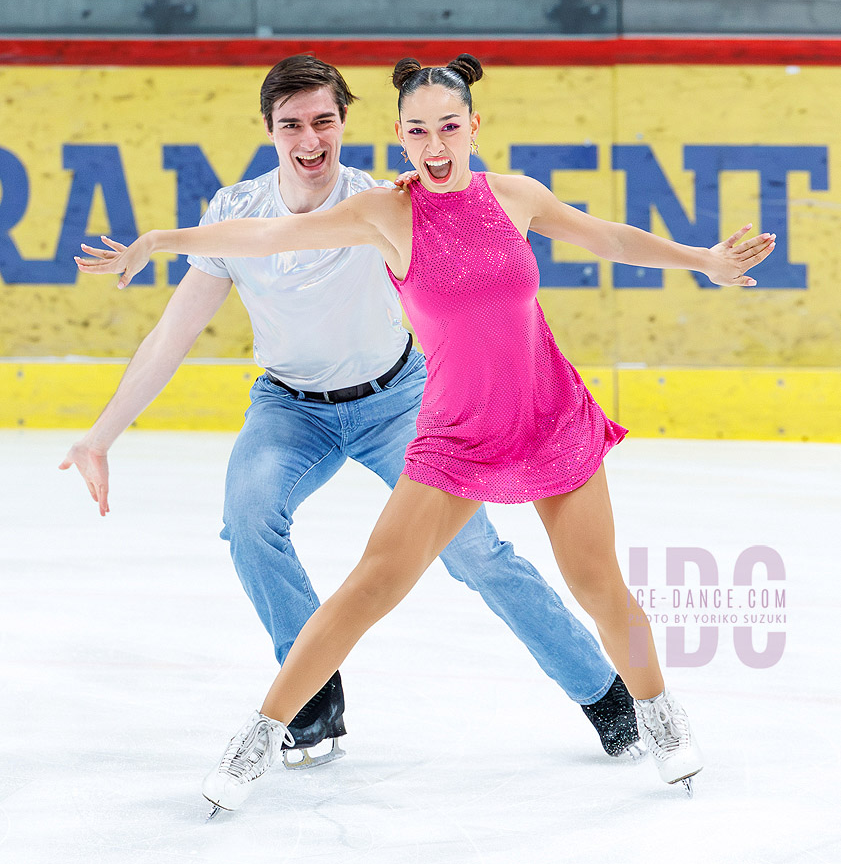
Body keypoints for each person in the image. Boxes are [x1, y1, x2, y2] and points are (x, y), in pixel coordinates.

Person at [76, 53, 775, 814]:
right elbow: (268, 235)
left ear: (473, 126)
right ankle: (262, 731)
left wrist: (702, 259)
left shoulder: (514, 197)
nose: (434, 146)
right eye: (417, 131)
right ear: (399, 138)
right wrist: (158, 241)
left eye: (448, 127)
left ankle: (656, 710)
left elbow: (606, 237)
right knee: (372, 583)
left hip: (546, 415)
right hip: (452, 430)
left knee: (598, 586)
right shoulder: (385, 212)